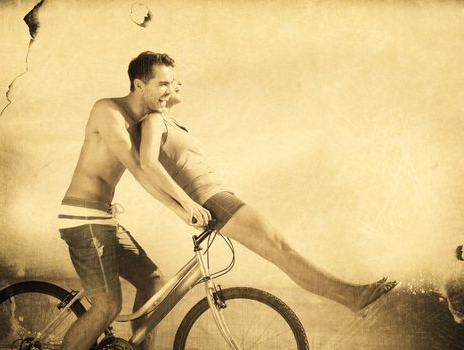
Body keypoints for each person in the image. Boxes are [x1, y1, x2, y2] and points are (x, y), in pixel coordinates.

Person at [58, 51, 397, 350]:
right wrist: (185, 208)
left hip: (104, 215)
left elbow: (146, 168)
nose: (173, 88)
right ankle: (353, 296)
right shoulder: (115, 113)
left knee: (152, 281)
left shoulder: (152, 118)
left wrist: (178, 207)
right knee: (107, 307)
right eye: (164, 83)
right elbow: (142, 167)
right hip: (87, 216)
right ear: (138, 85)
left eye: (174, 82)